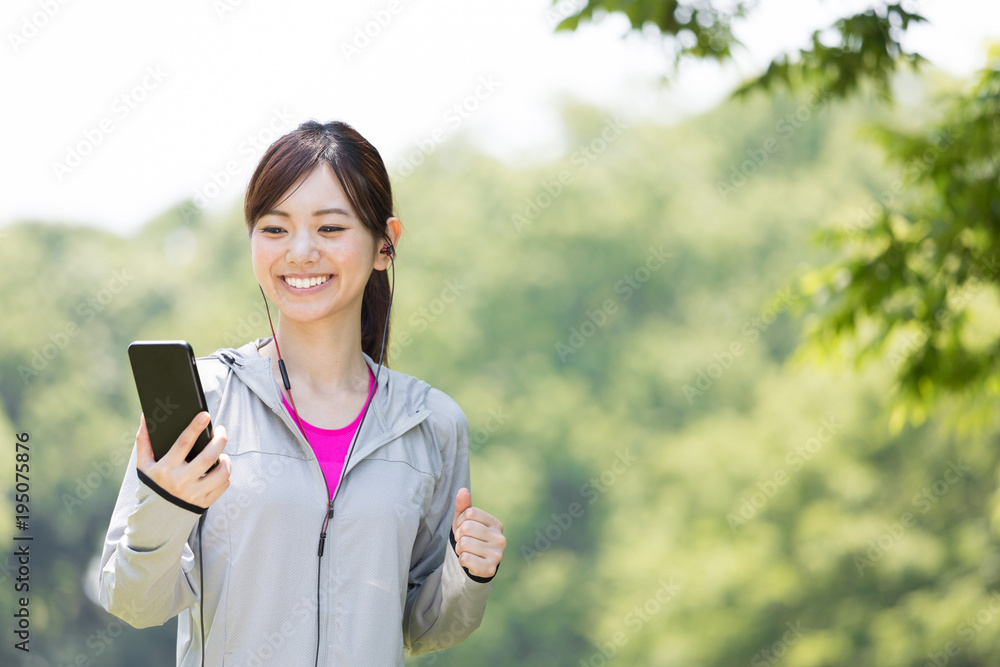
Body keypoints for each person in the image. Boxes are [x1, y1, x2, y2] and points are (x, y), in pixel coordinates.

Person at [98, 120, 506, 666]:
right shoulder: (207, 402)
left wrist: (468, 571)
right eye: (275, 228)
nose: (301, 251)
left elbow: (422, 627)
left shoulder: (431, 423)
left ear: (386, 244)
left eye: (331, 229)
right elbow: (133, 601)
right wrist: (166, 505)